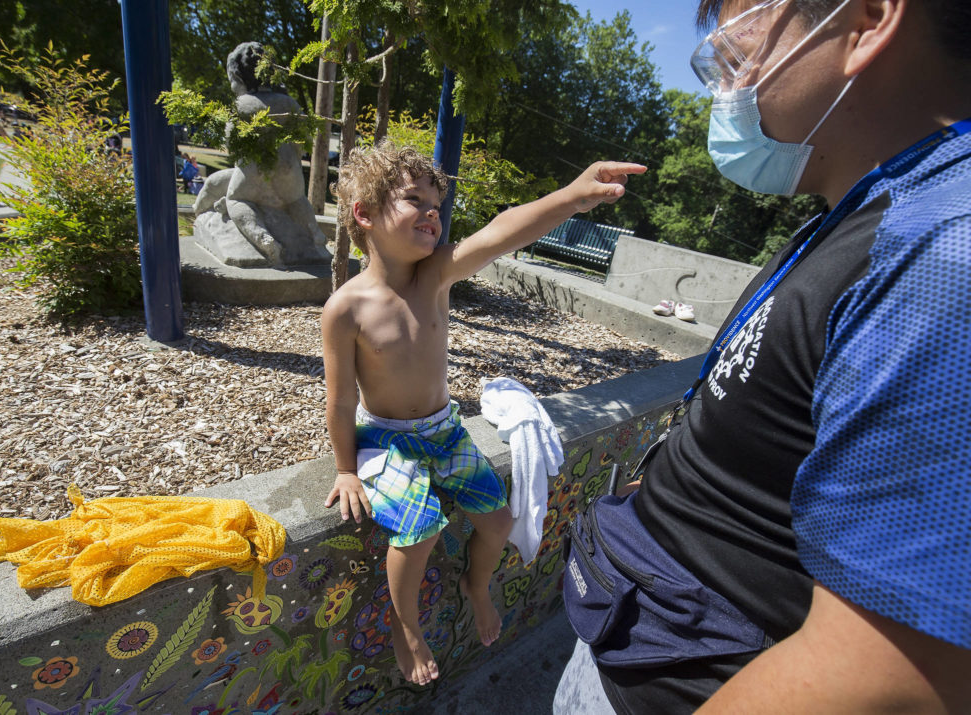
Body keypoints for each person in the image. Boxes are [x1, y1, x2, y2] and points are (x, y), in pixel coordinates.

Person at [561, 0, 971, 712]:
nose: (726, 78)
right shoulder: (869, 213)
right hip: (630, 638)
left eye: (740, 36)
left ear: (869, 19)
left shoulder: (943, 253)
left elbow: (894, 673)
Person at [322, 141, 643, 686]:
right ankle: (407, 626)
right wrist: (347, 470)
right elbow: (341, 401)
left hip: (444, 430)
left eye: (436, 204)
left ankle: (476, 583)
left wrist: (571, 196)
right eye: (414, 200)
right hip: (386, 438)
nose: (432, 213)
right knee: (419, 529)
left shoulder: (436, 276)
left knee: (499, 521)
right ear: (365, 214)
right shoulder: (345, 309)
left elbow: (502, 230)